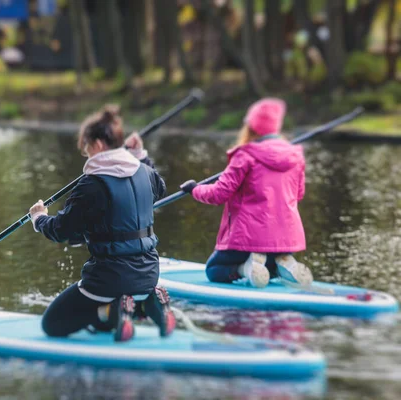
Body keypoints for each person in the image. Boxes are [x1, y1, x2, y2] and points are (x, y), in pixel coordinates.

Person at [29, 105, 175, 342]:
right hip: (150, 273)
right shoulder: (146, 173)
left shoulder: (90, 186)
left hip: (107, 280)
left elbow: (62, 231)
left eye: (86, 149)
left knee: (52, 325)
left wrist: (39, 218)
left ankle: (115, 310)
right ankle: (145, 304)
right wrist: (140, 155)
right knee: (108, 311)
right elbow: (160, 189)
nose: (86, 155)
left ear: (97, 145)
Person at [180, 98, 313, 289]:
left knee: (214, 270)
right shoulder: (295, 156)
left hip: (249, 239)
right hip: (285, 239)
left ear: (250, 127)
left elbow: (218, 194)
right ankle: (282, 264)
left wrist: (194, 189)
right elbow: (298, 194)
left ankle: (247, 268)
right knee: (269, 259)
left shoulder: (245, 155)